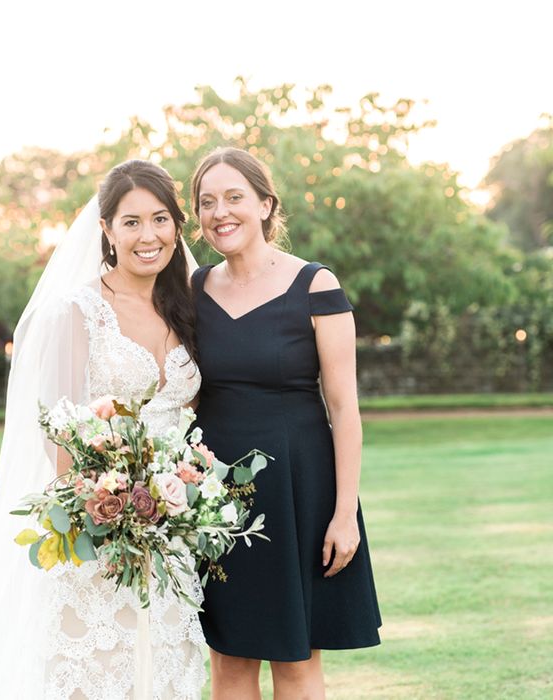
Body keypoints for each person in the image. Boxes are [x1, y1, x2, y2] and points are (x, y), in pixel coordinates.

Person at [0, 160, 206, 700]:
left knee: (167, 673)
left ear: (177, 227)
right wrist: (118, 509)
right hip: (99, 532)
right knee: (98, 676)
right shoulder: (76, 311)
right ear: (106, 230)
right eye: (130, 222)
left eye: (160, 219)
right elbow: (59, 433)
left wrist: (181, 494)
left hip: (172, 533)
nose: (147, 235)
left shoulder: (186, 309)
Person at [189, 147, 381, 699]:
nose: (220, 212)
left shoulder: (316, 285)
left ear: (266, 205)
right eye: (206, 202)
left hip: (300, 490)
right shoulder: (195, 290)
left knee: (295, 663)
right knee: (228, 661)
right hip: (215, 494)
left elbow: (344, 408)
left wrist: (345, 515)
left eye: (234, 197)